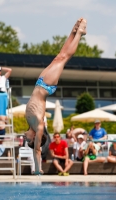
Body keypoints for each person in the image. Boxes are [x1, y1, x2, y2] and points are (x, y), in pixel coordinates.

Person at [24, 18, 87, 174]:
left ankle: (74, 31)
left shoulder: (29, 122)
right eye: (27, 140)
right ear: (34, 139)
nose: (25, 138)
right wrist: (38, 170)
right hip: (46, 86)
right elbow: (37, 151)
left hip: (40, 83)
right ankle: (79, 33)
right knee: (63, 59)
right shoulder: (38, 127)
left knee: (59, 56)